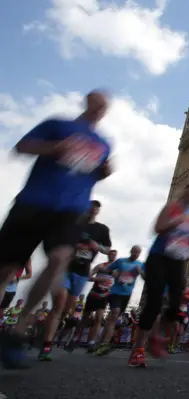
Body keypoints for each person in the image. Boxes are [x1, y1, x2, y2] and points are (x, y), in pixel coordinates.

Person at [0, 90, 112, 369]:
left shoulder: (103, 144)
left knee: (59, 259)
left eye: (104, 105)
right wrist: (56, 148)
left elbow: (96, 171)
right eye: (96, 101)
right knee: (5, 270)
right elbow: (22, 147)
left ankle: (18, 328)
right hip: (33, 203)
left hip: (71, 211)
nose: (100, 107)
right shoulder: (58, 125)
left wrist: (105, 170)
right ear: (87, 102)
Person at [127, 180, 189, 368]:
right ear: (185, 191)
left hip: (178, 259)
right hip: (159, 256)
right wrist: (174, 222)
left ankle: (156, 336)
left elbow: (188, 236)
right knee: (154, 302)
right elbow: (158, 228)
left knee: (177, 301)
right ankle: (138, 350)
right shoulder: (172, 206)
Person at [40, 199, 111, 361]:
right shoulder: (73, 224)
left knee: (66, 309)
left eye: (96, 209)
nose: (93, 210)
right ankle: (46, 346)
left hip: (82, 272)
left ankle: (52, 333)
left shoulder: (101, 229)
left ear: (98, 212)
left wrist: (97, 247)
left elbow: (107, 250)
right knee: (59, 302)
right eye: (90, 208)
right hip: (65, 268)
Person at [95, 245, 144, 356]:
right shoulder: (121, 261)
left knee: (113, 318)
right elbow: (107, 270)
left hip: (127, 294)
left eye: (138, 253)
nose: (135, 254)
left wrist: (140, 272)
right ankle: (104, 344)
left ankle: (100, 342)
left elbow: (145, 277)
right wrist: (113, 273)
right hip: (115, 292)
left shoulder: (140, 264)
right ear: (130, 251)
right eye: (134, 252)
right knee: (114, 313)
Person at [72, 249, 118, 353]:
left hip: (105, 295)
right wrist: (99, 280)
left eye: (115, 255)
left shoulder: (117, 270)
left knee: (98, 318)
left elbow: (120, 281)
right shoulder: (101, 266)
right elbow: (88, 277)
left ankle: (91, 342)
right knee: (85, 317)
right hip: (94, 293)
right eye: (111, 254)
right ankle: (75, 338)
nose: (113, 256)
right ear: (108, 255)